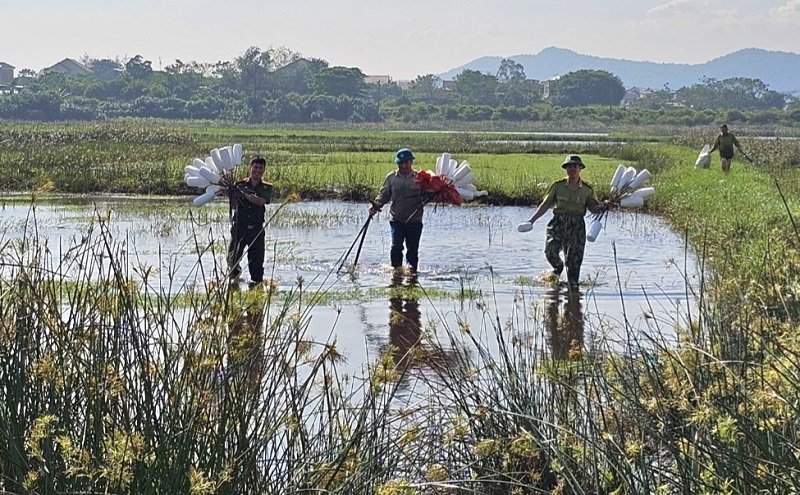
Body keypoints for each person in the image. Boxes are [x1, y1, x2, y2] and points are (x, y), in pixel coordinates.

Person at [524, 155, 606, 290]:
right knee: (550, 251)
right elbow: (545, 205)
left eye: (575, 166)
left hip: (577, 225)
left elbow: (594, 209)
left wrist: (603, 206)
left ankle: (572, 297)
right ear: (566, 169)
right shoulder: (558, 186)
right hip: (558, 222)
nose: (572, 169)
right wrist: (531, 220)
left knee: (574, 263)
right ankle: (558, 268)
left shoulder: (587, 189)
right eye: (569, 166)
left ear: (580, 168)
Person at [369, 148, 425, 273]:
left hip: (414, 221)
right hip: (397, 220)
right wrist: (375, 206)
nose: (404, 166)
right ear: (397, 163)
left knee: (412, 250)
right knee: (396, 247)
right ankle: (396, 273)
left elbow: (427, 194)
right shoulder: (391, 178)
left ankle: (412, 274)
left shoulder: (420, 178)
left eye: (406, 162)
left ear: (411, 162)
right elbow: (383, 195)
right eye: (401, 163)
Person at [227, 156, 273, 284]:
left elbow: (260, 201)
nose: (257, 170)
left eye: (260, 168)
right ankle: (235, 282)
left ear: (264, 170)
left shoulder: (266, 188)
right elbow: (234, 204)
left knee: (257, 263)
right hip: (239, 228)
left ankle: (256, 286)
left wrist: (243, 194)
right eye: (255, 167)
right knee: (232, 259)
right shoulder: (239, 184)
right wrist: (232, 193)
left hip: (256, 229)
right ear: (250, 168)